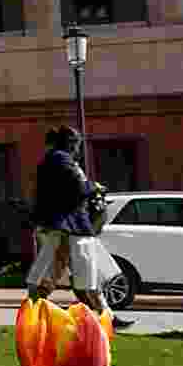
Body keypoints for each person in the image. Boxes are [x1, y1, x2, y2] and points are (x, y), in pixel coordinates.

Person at [25, 126, 134, 329]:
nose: (78, 149)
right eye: (76, 144)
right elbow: (78, 188)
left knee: (69, 275)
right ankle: (32, 315)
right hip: (70, 226)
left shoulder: (52, 159)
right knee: (76, 275)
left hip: (65, 226)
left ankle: (108, 317)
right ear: (71, 143)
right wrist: (96, 187)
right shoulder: (62, 160)